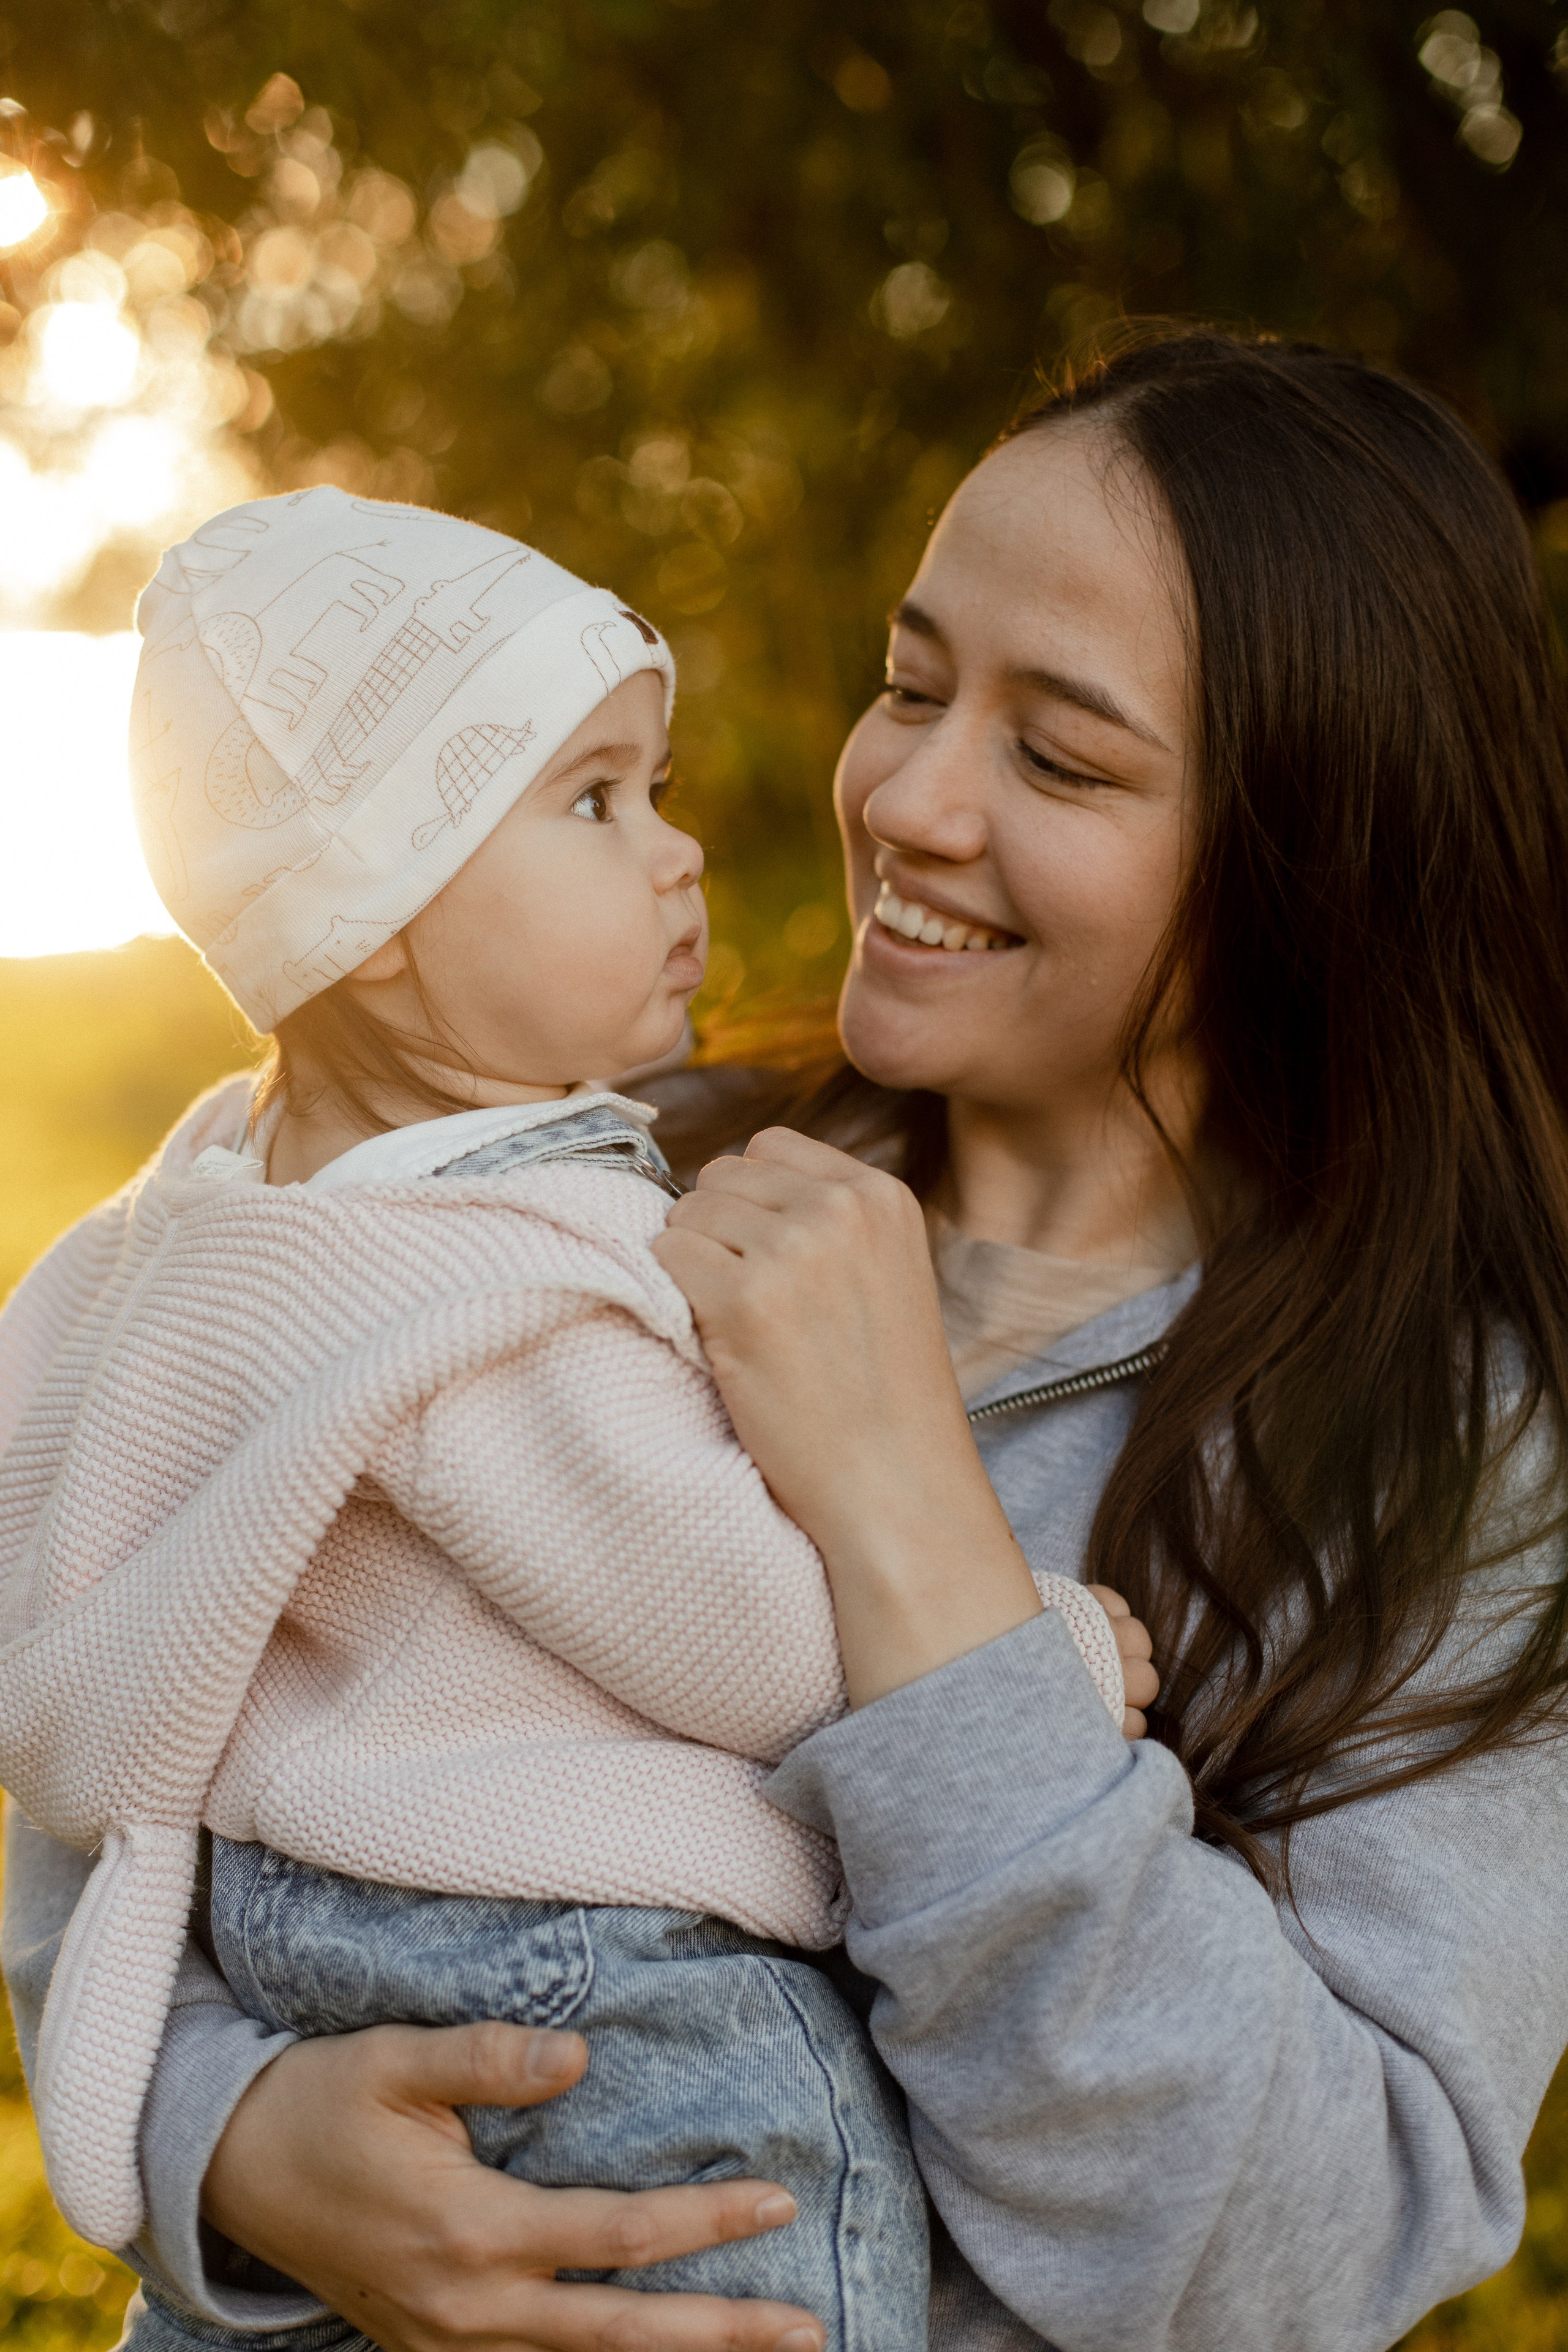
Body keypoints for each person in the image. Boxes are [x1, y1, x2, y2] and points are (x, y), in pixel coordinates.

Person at [7, 322, 1568, 2352]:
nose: (907, 797)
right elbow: (123, 1679)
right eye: (911, 684)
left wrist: (922, 1535)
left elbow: (1297, 2257)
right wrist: (231, 2141)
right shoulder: (552, 1179)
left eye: (1061, 755)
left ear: (1310, 856)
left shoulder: (1446, 1458)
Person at [0, 485, 1137, 2352]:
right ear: (378, 915)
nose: (679, 856)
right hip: (599, 1983)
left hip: (301, 1951)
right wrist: (1061, 1655)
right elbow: (731, 1631)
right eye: (594, 803)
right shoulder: (486, 1287)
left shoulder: (204, 1220)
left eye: (658, 788)